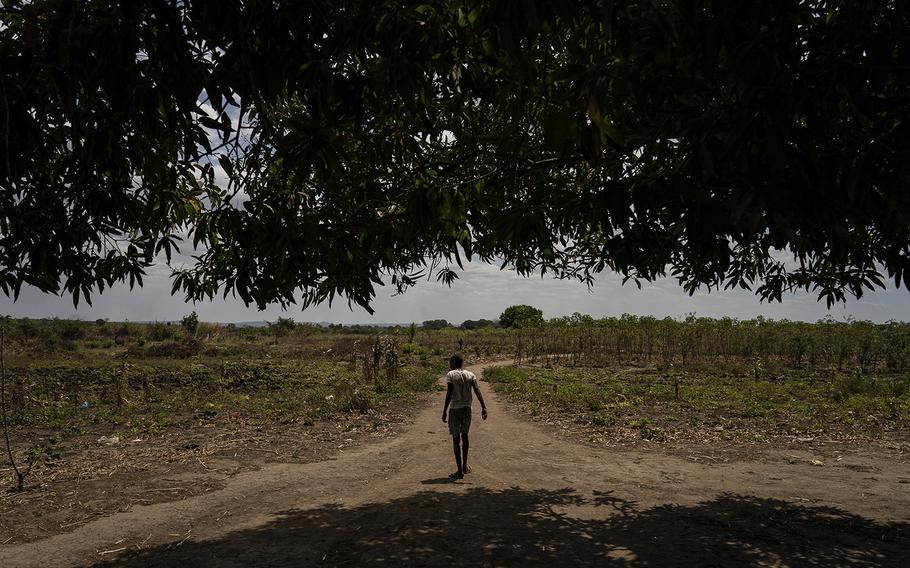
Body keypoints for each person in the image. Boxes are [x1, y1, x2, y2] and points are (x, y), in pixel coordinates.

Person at [441, 354, 488, 479]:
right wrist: (483, 407)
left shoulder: (451, 375)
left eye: (451, 362)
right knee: (465, 436)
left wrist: (444, 410)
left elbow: (449, 394)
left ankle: (459, 471)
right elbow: (477, 390)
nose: (449, 364)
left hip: (455, 409)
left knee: (456, 439)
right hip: (467, 409)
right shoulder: (470, 374)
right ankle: (465, 466)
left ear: (455, 362)